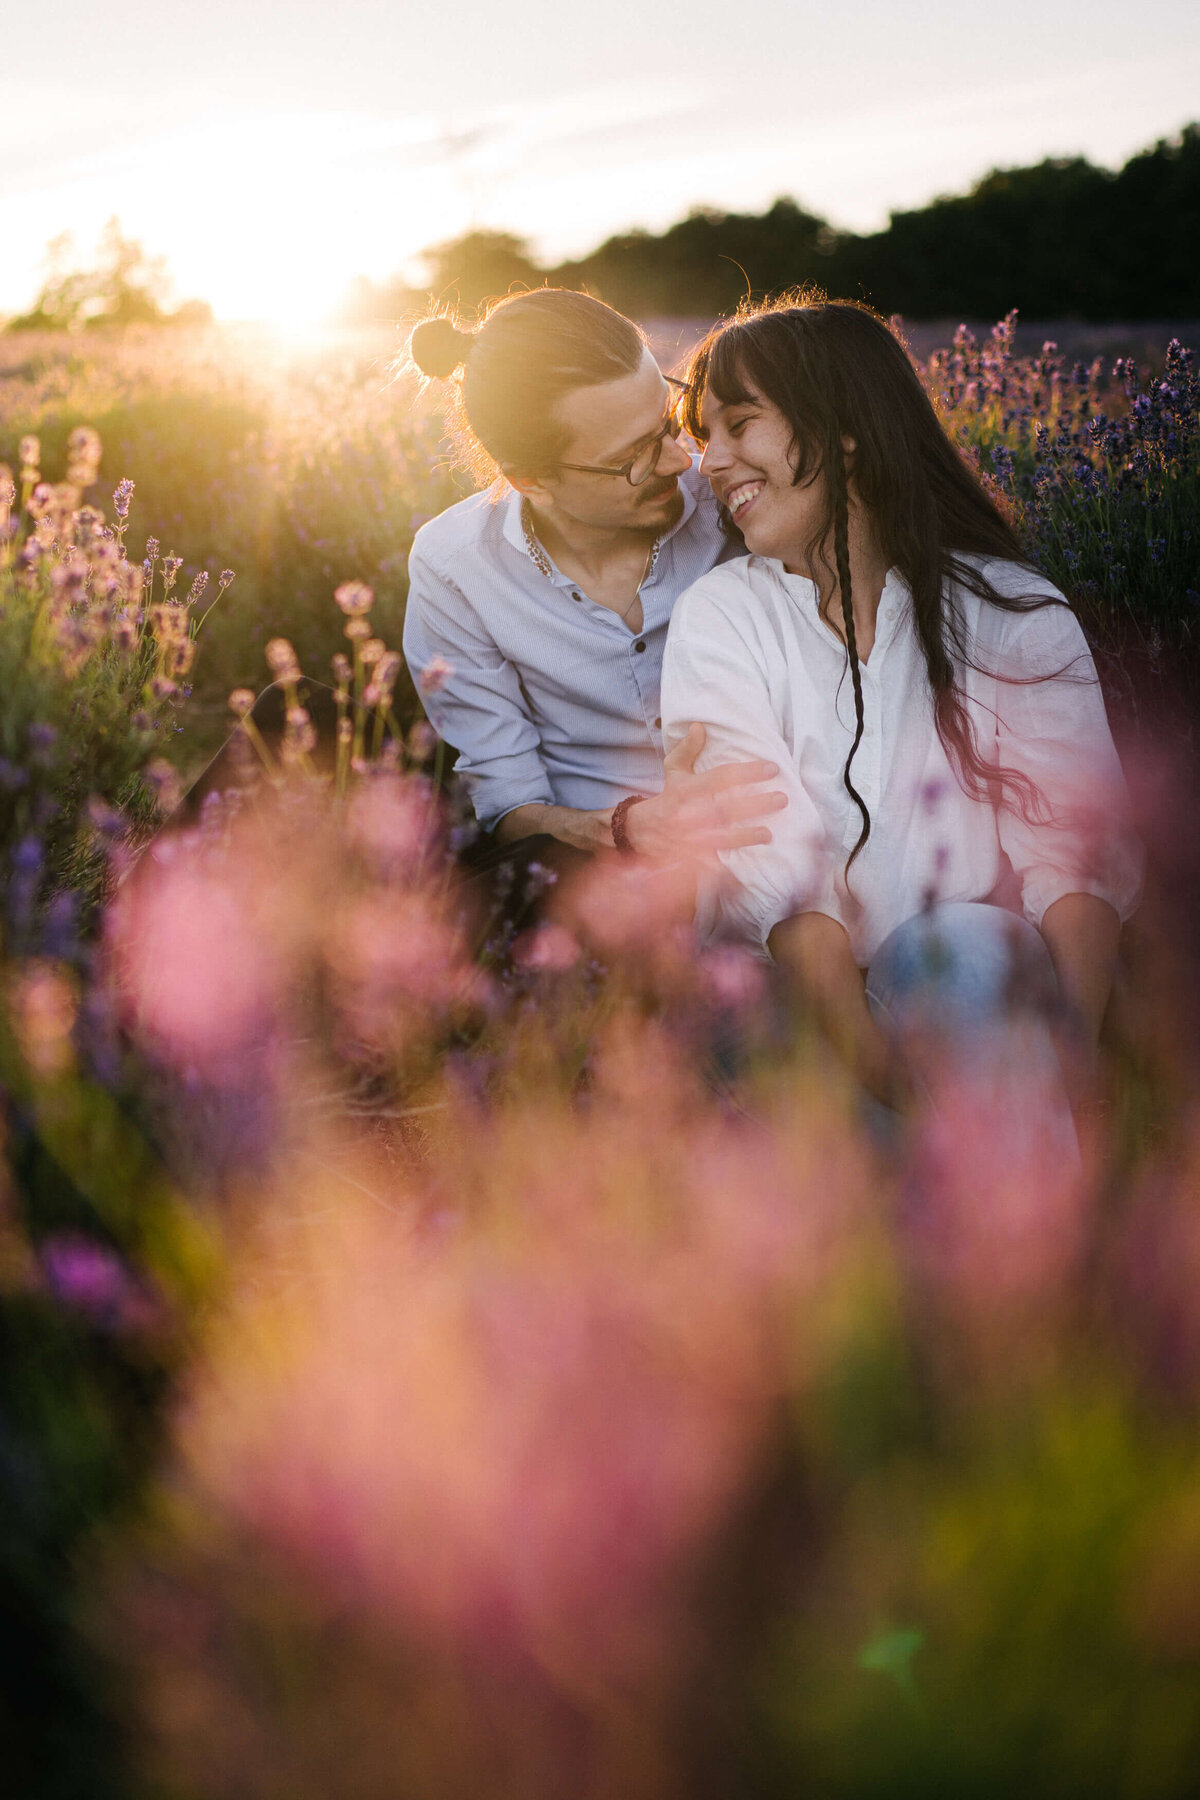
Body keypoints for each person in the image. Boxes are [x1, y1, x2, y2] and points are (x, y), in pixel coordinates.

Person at [659, 295, 1142, 1117]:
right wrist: (891, 1081)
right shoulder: (723, 616)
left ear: (843, 426)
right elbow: (777, 877)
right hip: (789, 1014)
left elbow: (1076, 858)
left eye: (740, 424)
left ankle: (1008, 1211)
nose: (712, 461)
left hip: (965, 1001)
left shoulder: (1010, 608)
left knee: (965, 948)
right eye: (707, 437)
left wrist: (1072, 1062)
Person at [403, 290, 786, 895]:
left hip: (766, 848)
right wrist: (627, 829)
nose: (679, 463)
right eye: (633, 457)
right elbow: (508, 804)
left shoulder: (733, 501)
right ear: (533, 481)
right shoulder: (455, 564)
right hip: (582, 875)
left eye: (668, 422)